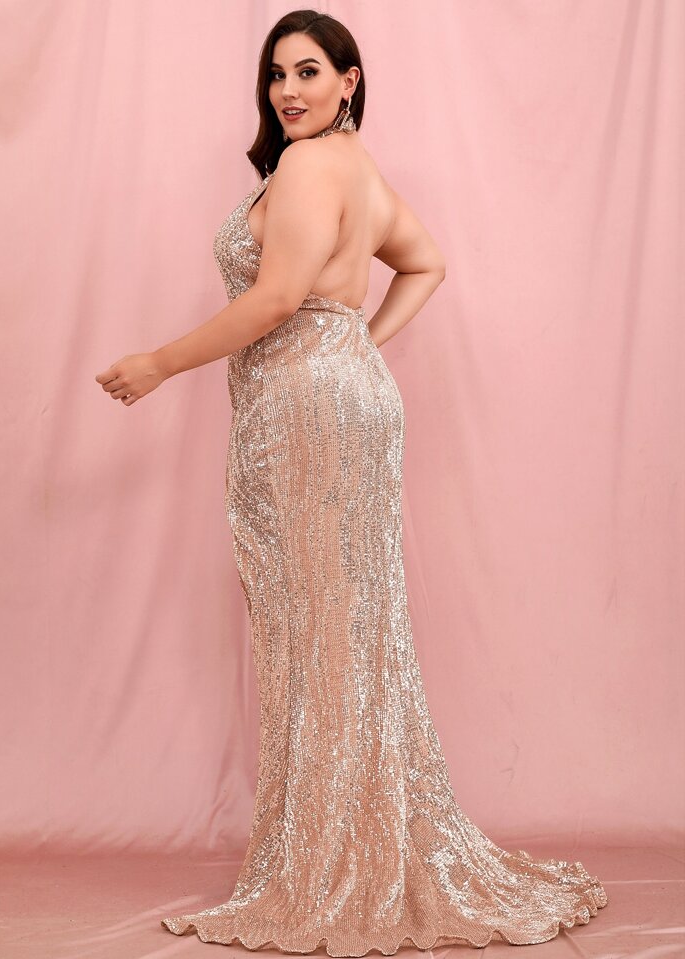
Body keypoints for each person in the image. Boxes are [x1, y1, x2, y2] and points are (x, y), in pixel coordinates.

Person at [95, 10, 608, 957]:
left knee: (323, 630)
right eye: (276, 74)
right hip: (343, 396)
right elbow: (426, 263)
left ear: (349, 80)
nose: (288, 90)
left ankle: (330, 864)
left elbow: (277, 297)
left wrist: (160, 363)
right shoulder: (358, 169)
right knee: (346, 627)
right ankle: (350, 846)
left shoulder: (308, 166)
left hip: (309, 407)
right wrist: (357, 348)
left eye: (307, 71)